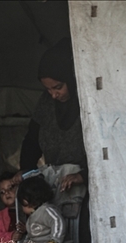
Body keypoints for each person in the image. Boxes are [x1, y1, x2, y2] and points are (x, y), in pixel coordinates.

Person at [18, 37, 88, 197]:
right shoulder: (46, 103)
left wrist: (83, 176)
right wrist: (26, 171)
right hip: (57, 183)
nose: (54, 95)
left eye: (58, 88)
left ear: (72, 79)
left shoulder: (90, 102)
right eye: (48, 89)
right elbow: (32, 141)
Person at [13, 175, 73, 243]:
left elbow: (58, 222)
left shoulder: (46, 210)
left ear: (26, 201)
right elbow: (31, 237)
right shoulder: (30, 219)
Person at [0, 172, 19, 243]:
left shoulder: (27, 210)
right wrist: (11, 236)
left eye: (10, 188)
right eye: (2, 192)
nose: (7, 193)